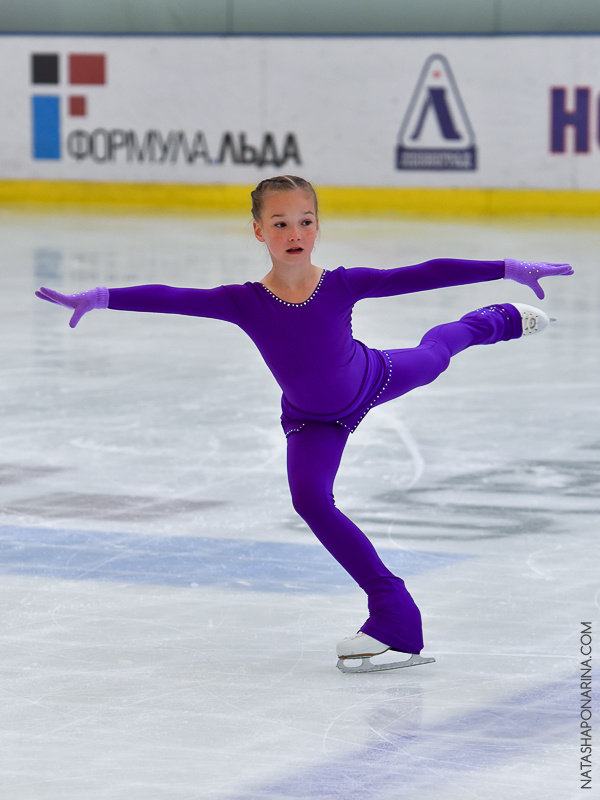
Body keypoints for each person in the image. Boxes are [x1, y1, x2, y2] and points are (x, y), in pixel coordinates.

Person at [36, 175, 574, 673]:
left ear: (318, 225)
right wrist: (100, 298)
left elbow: (422, 274)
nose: (295, 233)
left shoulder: (341, 285)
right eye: (280, 223)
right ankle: (395, 615)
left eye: (305, 221)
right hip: (313, 422)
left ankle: (489, 322)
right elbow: (171, 298)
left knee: (435, 353)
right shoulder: (242, 303)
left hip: (373, 378)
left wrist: (505, 268)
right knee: (311, 501)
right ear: (258, 231)